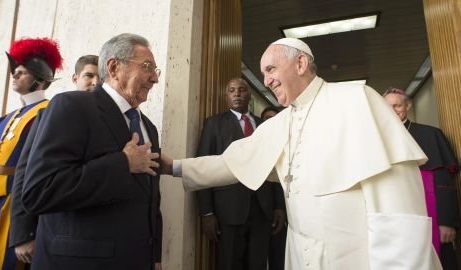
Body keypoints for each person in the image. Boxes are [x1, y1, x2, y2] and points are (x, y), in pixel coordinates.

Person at [162, 38, 442, 269]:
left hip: (353, 258)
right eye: (263, 74)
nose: (267, 80)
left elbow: (397, 204)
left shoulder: (356, 99)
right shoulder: (281, 122)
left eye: (271, 69)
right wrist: (174, 167)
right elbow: (231, 163)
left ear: (301, 63)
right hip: (299, 255)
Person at [20, 33, 163, 270]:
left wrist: (154, 257)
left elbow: (151, 200)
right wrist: (122, 164)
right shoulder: (71, 106)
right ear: (114, 67)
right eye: (147, 67)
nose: (154, 79)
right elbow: (39, 191)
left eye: (156, 71)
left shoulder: (149, 128)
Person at [8, 55, 100, 264]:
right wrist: (23, 235)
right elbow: (24, 174)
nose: (95, 82)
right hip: (49, 233)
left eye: (100, 78)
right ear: (75, 78)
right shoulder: (49, 113)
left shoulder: (111, 119)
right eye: (89, 75)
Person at [0, 37, 62, 270]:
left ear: (40, 80)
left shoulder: (48, 112)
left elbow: (41, 168)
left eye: (22, 72)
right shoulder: (9, 116)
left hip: (12, 198)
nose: (14, 75)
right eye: (14, 71)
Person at [196, 78, 286, 270]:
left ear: (249, 95)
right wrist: (207, 212)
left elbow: (274, 166)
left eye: (242, 90)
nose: (237, 93)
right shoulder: (214, 124)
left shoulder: (265, 126)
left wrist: (279, 206)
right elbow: (203, 167)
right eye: (232, 90)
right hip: (228, 212)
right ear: (226, 96)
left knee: (258, 265)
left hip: (262, 210)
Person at [384, 87, 460, 270]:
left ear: (408, 106)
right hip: (394, 214)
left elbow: (444, 183)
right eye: (387, 106)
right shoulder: (376, 139)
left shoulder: (430, 134)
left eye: (397, 105)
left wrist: (446, 222)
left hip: (428, 213)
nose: (393, 111)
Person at [260, 106, 286, 270]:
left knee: (280, 258)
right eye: (266, 119)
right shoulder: (257, 143)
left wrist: (280, 207)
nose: (269, 122)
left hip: (283, 214)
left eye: (273, 119)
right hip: (258, 214)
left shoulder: (287, 145)